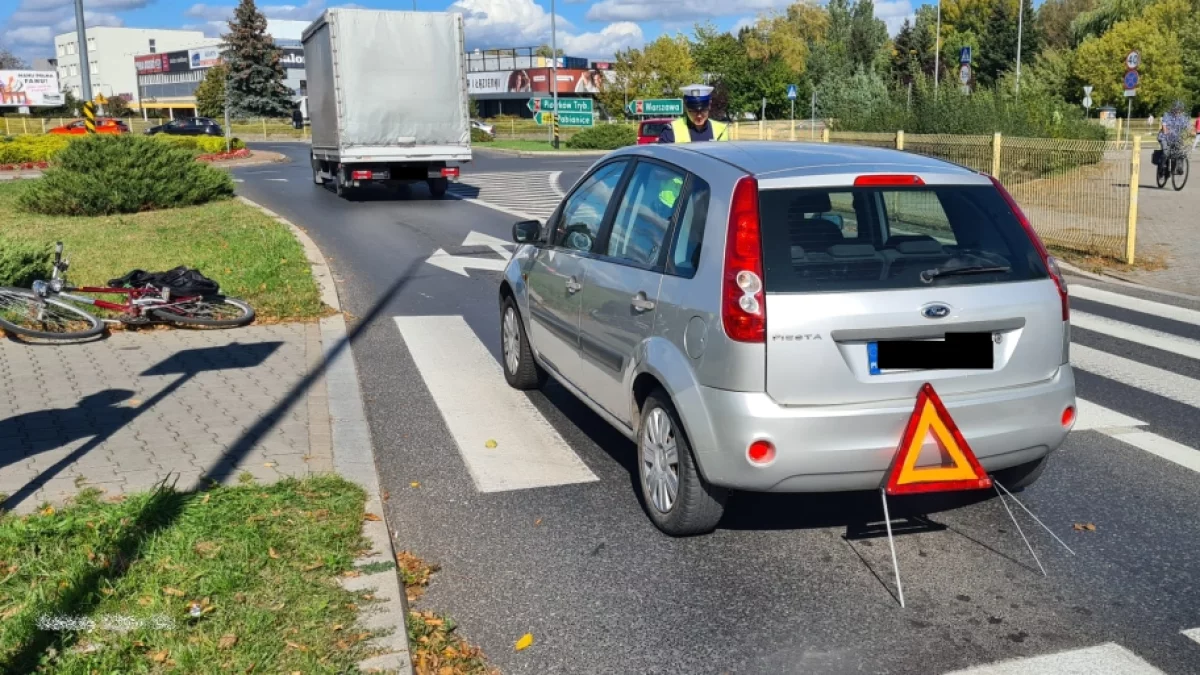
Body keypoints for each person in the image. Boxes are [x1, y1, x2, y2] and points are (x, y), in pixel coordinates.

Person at [658, 84, 729, 143]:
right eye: (693, 111)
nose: (699, 115)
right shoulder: (671, 130)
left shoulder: (721, 130)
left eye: (703, 110)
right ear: (686, 107)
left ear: (709, 106)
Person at [1158, 101, 1191, 166]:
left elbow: (1188, 127)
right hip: (1164, 137)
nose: (1178, 111)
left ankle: (1179, 167)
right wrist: (1166, 131)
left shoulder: (1182, 118)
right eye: (1177, 109)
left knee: (1181, 152)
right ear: (1173, 109)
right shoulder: (1167, 115)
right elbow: (1164, 125)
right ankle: (1162, 164)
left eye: (1180, 110)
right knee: (1166, 152)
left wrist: (1191, 132)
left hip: (1176, 138)